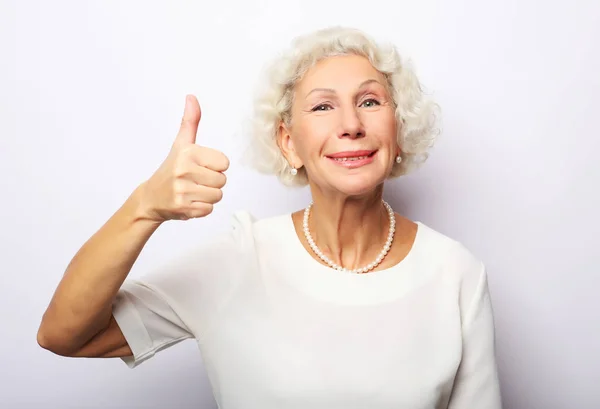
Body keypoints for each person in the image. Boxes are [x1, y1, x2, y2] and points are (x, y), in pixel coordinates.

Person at [37, 26, 502, 409]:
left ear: (397, 133)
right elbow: (64, 334)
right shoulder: (241, 260)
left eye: (370, 101)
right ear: (288, 143)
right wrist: (144, 208)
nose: (351, 124)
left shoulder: (455, 273)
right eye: (322, 106)